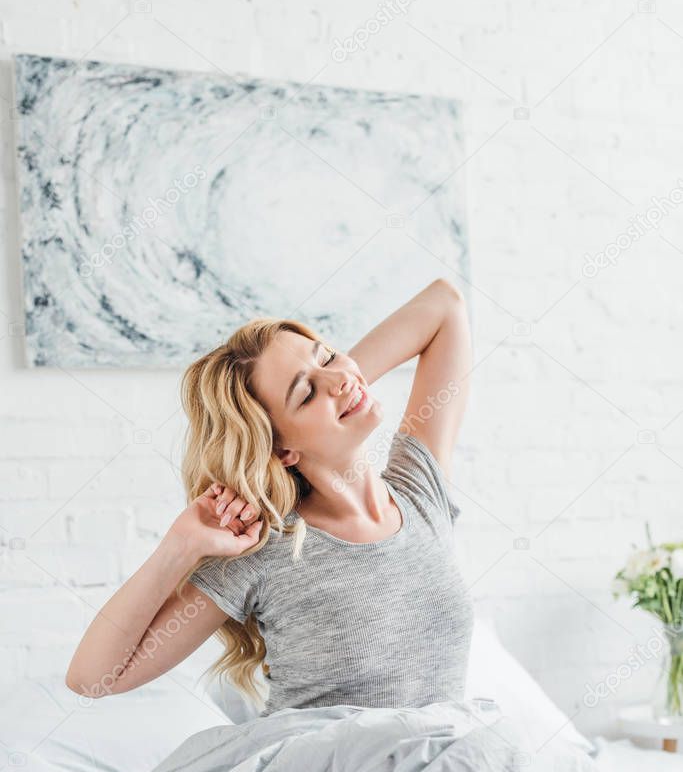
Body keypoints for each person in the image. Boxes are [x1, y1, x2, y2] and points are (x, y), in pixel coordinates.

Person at [65, 278, 474, 717]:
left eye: (328, 354)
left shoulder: (419, 489)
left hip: (438, 771)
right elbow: (92, 678)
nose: (336, 376)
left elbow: (445, 306)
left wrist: (337, 385)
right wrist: (179, 547)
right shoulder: (264, 548)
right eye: (305, 393)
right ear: (281, 450)